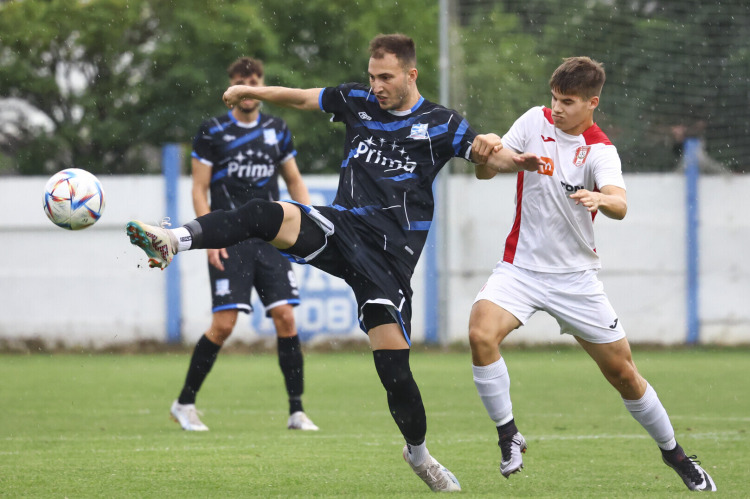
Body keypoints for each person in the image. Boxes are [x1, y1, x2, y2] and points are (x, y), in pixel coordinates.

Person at [126, 33, 535, 492]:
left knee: (395, 374)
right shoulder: (357, 101)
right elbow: (303, 97)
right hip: (341, 229)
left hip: (389, 260)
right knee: (266, 212)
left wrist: (512, 155)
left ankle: (418, 453)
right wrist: (253, 92)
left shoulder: (441, 124)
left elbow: (491, 157)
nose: (376, 85)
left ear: (410, 74)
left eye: (386, 77)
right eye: (372, 76)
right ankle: (172, 239)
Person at [468, 56, 717, 492]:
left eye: (568, 101)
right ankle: (509, 435)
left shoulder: (600, 149)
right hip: (520, 269)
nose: (557, 108)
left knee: (624, 374)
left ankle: (677, 456)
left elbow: (620, 203)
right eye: (554, 98)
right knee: (480, 335)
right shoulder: (533, 121)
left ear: (591, 103)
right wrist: (489, 154)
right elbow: (487, 171)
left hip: (575, 280)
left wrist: (601, 200)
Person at [168, 57, 318, 432]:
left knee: (285, 317)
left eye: (254, 80)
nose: (247, 87)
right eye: (240, 80)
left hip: (271, 238)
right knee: (224, 324)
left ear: (261, 85)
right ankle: (184, 403)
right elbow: (199, 188)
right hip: (228, 239)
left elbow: (294, 181)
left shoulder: (277, 129)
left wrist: (311, 220)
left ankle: (297, 411)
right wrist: (205, 237)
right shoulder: (213, 131)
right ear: (231, 87)